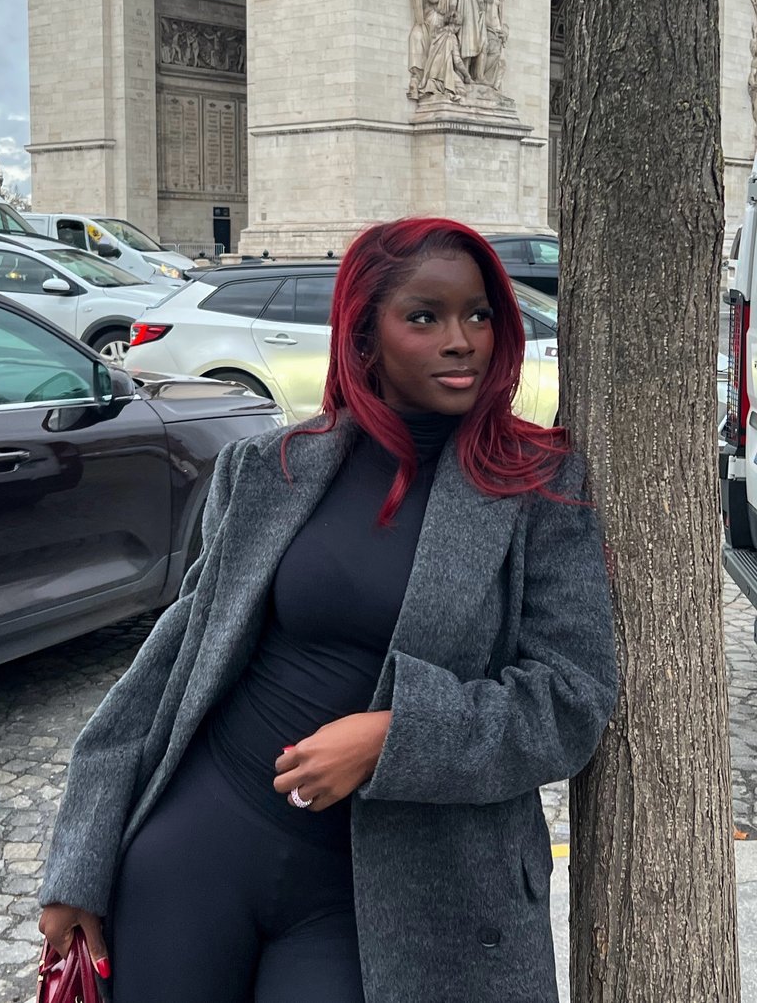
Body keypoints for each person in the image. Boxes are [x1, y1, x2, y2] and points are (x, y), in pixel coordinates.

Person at [38, 217, 617, 1003]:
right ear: (364, 336)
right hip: (203, 845)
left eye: (480, 315)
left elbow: (570, 702)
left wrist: (394, 737)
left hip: (402, 893)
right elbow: (174, 660)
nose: (462, 340)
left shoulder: (538, 487)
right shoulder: (271, 466)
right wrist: (79, 863)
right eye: (425, 316)